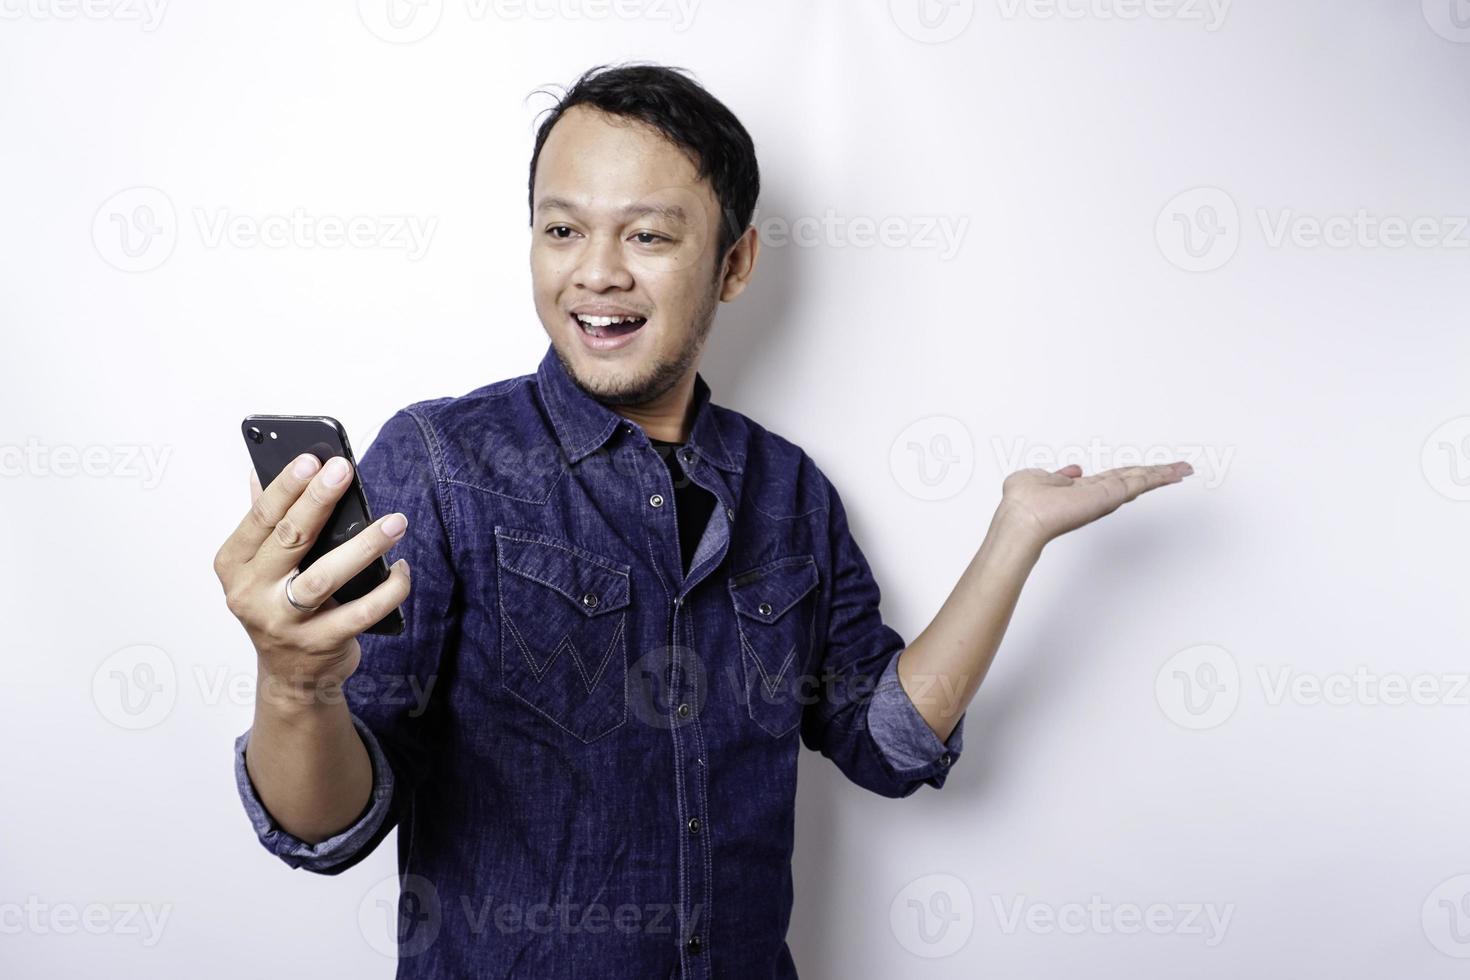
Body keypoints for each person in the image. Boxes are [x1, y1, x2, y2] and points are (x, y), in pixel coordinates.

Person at [212, 62, 1192, 979]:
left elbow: (887, 741)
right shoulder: (441, 462)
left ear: (733, 263)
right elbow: (330, 823)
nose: (595, 272)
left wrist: (1014, 534)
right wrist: (293, 683)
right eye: (562, 230)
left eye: (647, 234)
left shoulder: (791, 489)